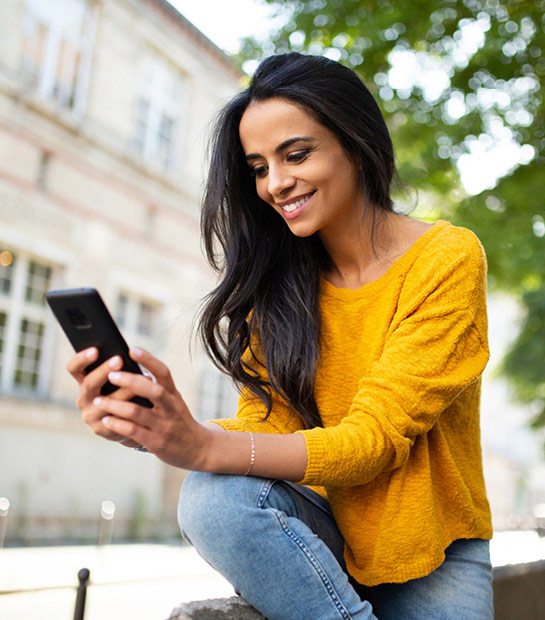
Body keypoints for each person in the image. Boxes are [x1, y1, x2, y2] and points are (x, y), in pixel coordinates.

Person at [67, 53, 494, 619]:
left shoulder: (446, 258)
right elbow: (266, 429)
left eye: (296, 155)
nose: (276, 183)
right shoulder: (280, 284)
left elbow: (375, 441)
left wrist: (200, 442)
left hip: (433, 553)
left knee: (210, 466)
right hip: (324, 543)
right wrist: (156, 427)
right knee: (212, 497)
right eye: (259, 167)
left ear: (356, 142)